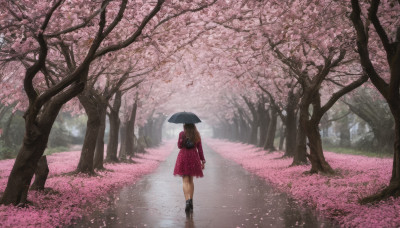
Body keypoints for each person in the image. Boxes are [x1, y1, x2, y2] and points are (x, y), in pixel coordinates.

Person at [173, 123, 206, 213]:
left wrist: (182, 139)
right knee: (191, 181)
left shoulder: (182, 134)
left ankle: (187, 201)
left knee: (185, 181)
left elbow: (179, 146)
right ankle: (191, 200)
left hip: (183, 156)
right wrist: (202, 161)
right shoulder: (197, 134)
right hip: (194, 157)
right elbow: (200, 149)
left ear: (185, 125)